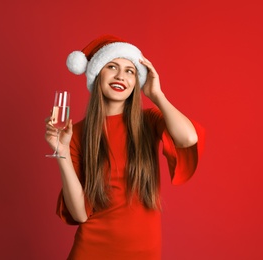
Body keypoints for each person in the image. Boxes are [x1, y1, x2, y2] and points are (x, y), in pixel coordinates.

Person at [45, 34, 205, 260]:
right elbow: (80, 214)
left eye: (130, 70)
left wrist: (157, 95)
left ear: (136, 81)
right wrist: (61, 153)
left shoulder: (149, 120)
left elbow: (188, 138)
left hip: (143, 252)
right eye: (112, 66)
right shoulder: (76, 133)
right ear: (97, 74)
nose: (121, 76)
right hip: (91, 249)